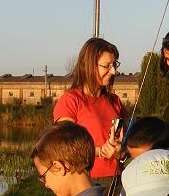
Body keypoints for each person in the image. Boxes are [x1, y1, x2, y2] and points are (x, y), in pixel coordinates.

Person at [54, 37, 126, 184]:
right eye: (106, 66)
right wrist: (100, 151)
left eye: (114, 65)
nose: (113, 71)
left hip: (119, 179)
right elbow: (64, 146)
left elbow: (127, 147)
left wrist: (121, 152)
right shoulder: (71, 100)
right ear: (89, 66)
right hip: (86, 181)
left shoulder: (115, 101)